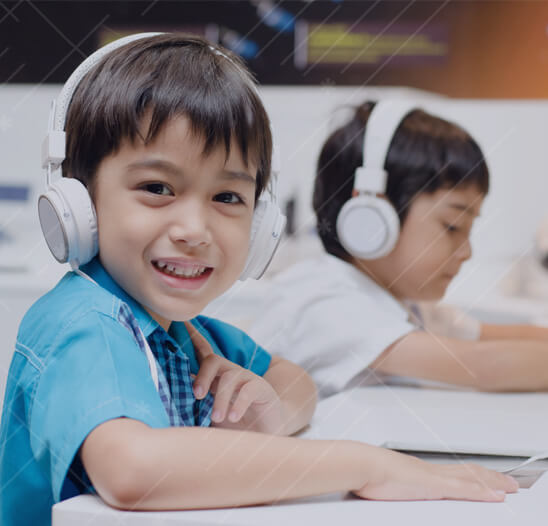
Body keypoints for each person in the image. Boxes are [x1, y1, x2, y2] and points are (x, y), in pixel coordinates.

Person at [0, 36, 517, 526]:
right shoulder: (83, 324)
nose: (195, 230)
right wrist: (366, 465)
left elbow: (296, 381)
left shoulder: (190, 335)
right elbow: (133, 471)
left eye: (228, 198)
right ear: (79, 204)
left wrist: (270, 412)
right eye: (157, 187)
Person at [248, 99, 548, 399]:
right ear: (372, 220)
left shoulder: (404, 302)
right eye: (453, 226)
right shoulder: (326, 301)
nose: (467, 252)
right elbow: (485, 366)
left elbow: (492, 338)